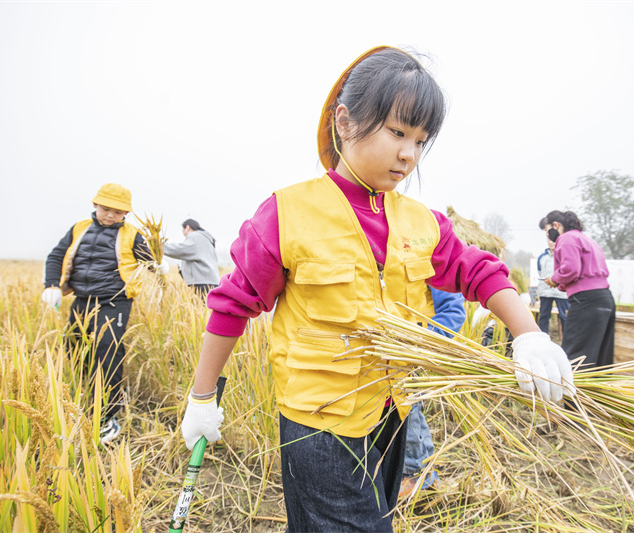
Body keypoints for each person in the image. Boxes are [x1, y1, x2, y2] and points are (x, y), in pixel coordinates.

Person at [180, 46, 574, 532]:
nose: (409, 154)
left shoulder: (421, 222)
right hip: (319, 425)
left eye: (421, 140)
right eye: (397, 132)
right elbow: (233, 304)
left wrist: (528, 334)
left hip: (392, 415)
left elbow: (479, 272)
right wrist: (202, 398)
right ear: (345, 122)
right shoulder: (287, 213)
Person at [41, 183, 167, 444]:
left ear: (126, 214)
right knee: (74, 351)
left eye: (118, 212)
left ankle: (108, 416)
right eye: (106, 209)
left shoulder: (132, 234)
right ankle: (84, 400)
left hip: (114, 302)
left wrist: (159, 266)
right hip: (81, 300)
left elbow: (149, 261)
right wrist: (52, 285)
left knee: (107, 353)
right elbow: (56, 256)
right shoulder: (79, 229)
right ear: (95, 205)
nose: (110, 215)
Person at [400, 286, 466, 498]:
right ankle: (419, 470)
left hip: (410, 346)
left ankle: (417, 474)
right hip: (392, 344)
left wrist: (421, 342)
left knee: (408, 406)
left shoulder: (429, 258)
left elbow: (453, 312)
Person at [542, 210, 615, 369]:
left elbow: (571, 269)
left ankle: (572, 391)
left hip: (586, 301)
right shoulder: (586, 239)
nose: (548, 236)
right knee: (601, 357)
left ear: (556, 225)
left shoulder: (567, 238)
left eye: (547, 231)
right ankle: (600, 391)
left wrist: (554, 279)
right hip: (604, 298)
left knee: (575, 355)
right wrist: (560, 283)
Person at [162, 218, 221, 297]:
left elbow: (181, 250)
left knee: (201, 307)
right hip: (211, 281)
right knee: (207, 308)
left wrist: (159, 246)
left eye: (182, 230)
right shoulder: (206, 238)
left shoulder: (195, 236)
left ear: (187, 227)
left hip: (202, 282)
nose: (183, 233)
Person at [536, 218, 570, 336]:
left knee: (564, 316)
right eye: (548, 240)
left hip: (561, 292)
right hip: (545, 291)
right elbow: (540, 271)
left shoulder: (564, 254)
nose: (551, 242)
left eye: (552, 240)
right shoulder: (542, 257)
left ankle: (566, 340)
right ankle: (543, 339)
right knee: (544, 316)